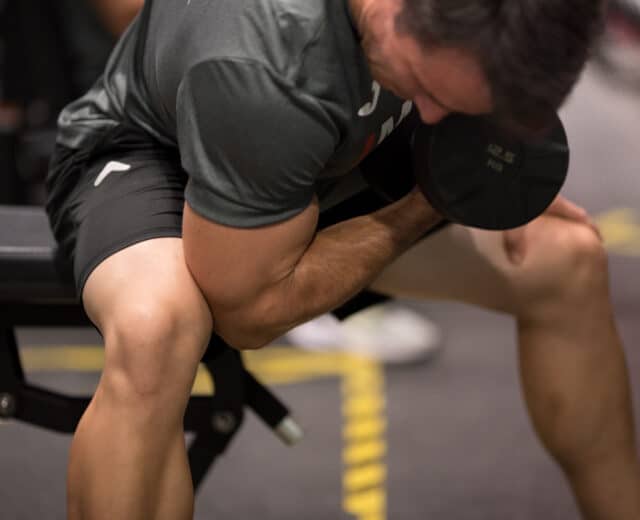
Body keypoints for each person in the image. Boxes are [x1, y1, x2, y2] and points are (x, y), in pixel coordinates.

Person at [44, 0, 640, 519]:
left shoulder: (420, 42)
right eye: (430, 91)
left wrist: (486, 139)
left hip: (333, 155)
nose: (437, 118)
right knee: (158, 327)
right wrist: (429, 203)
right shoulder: (268, 54)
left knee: (566, 259)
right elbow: (249, 311)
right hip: (153, 152)